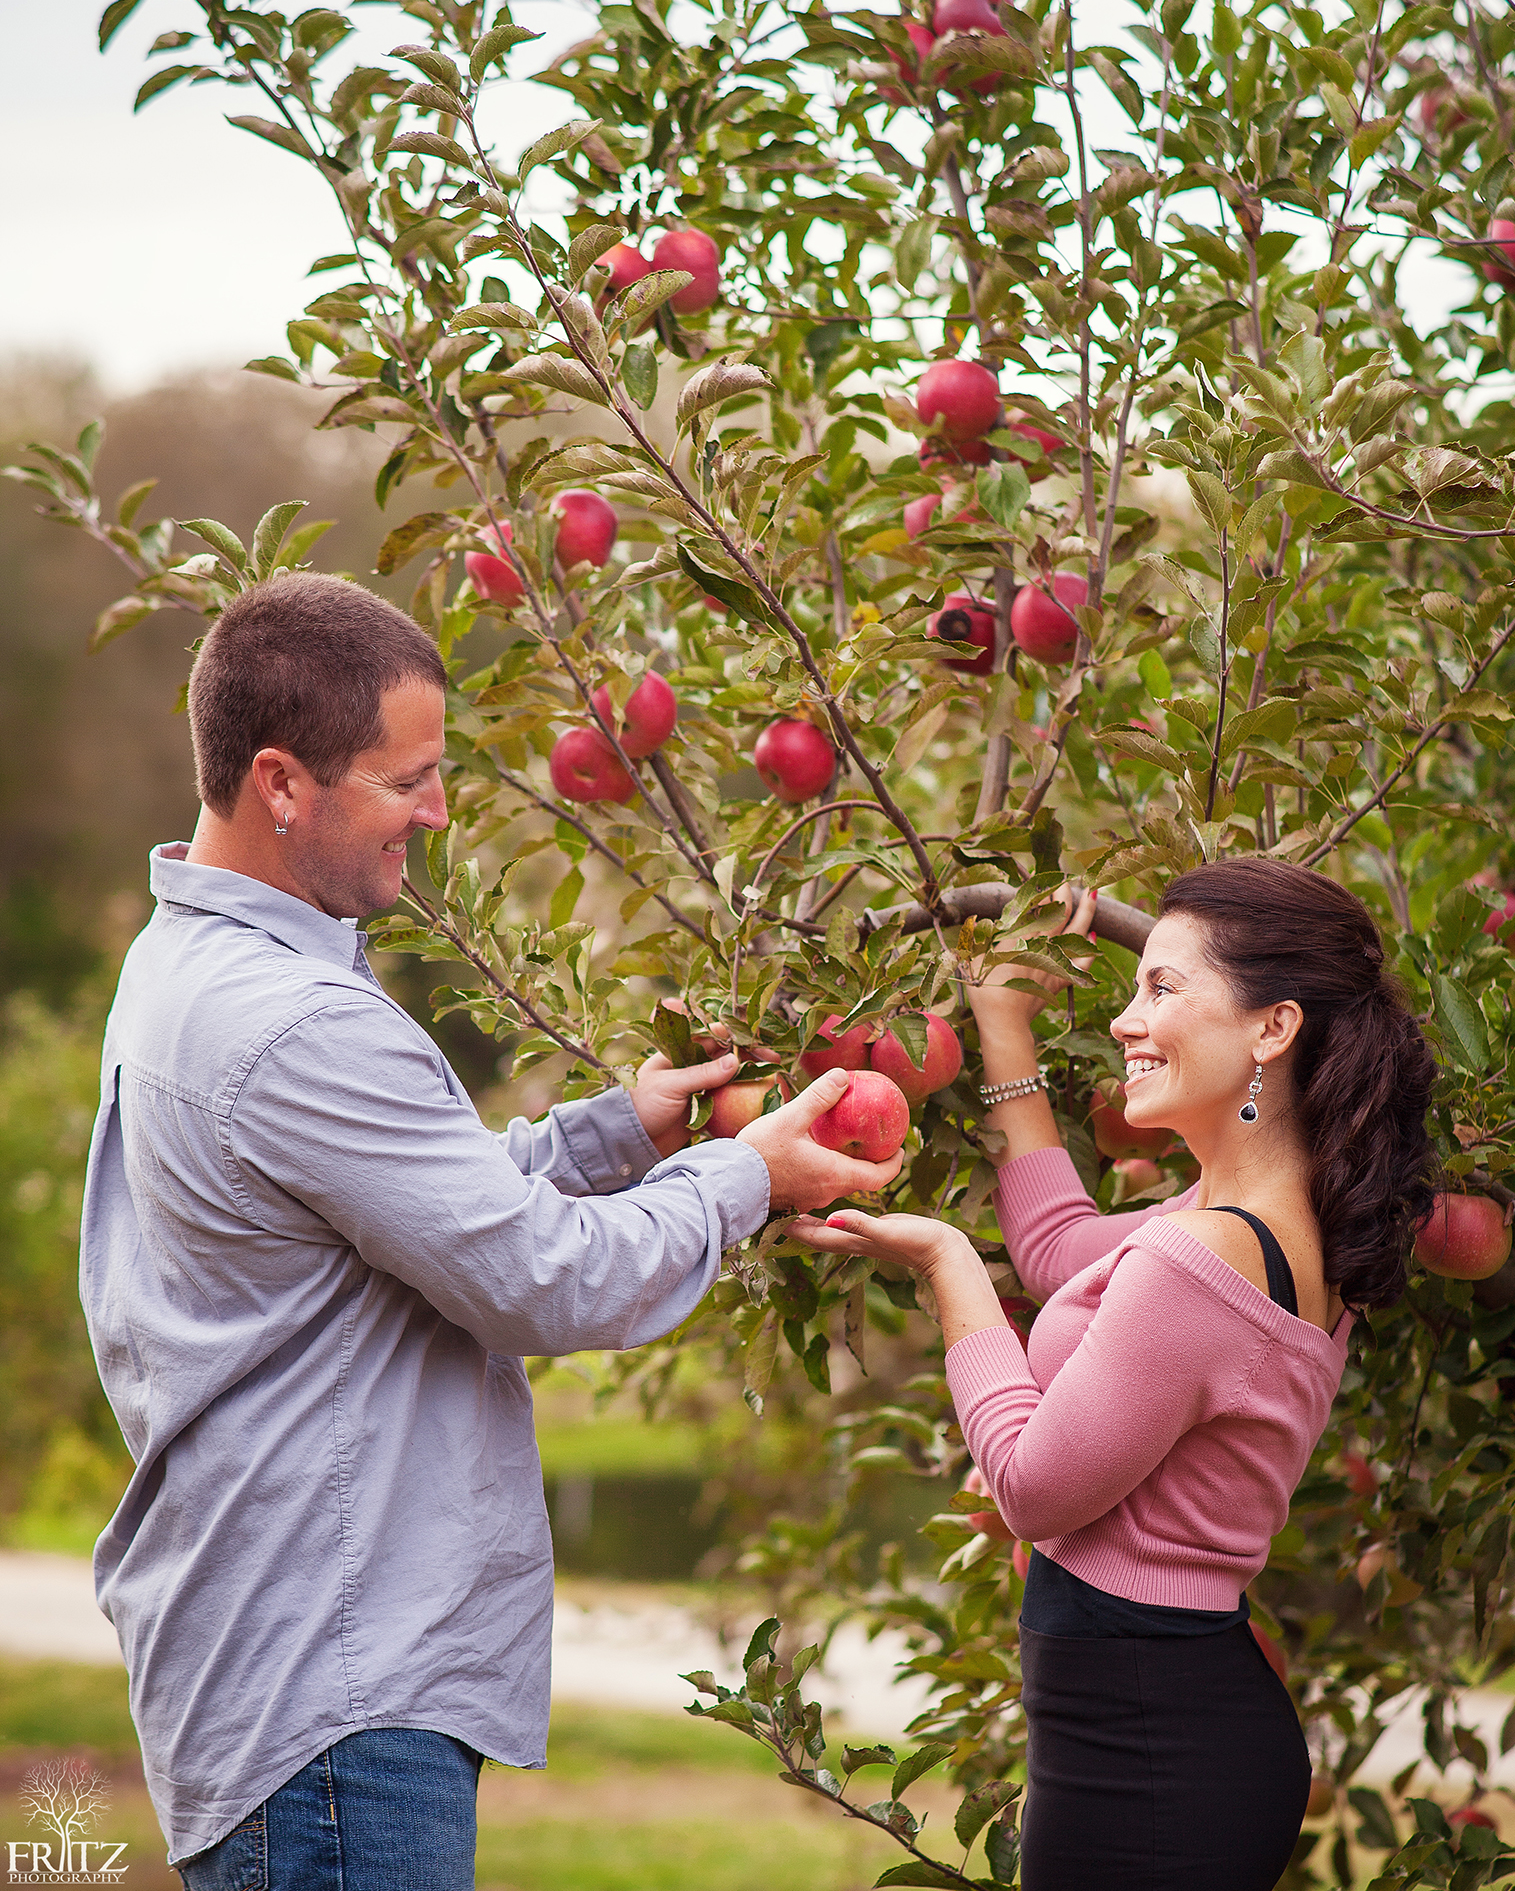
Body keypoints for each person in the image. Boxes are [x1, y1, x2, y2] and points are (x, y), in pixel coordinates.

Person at [79, 572, 900, 1889]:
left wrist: (617, 1132)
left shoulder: (196, 966)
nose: (441, 809)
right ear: (282, 784)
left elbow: (405, 1211)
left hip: (288, 1674)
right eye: (409, 780)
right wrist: (749, 1178)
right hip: (333, 1700)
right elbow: (541, 1280)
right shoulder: (298, 1027)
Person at [787, 858, 1436, 1891]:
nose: (1128, 1018)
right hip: (1169, 1716)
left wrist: (947, 1263)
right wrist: (1003, 1023)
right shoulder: (1262, 1223)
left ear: (1273, 1027)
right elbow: (1059, 1250)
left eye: (1163, 988)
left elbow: (1035, 1488)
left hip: (1151, 1748)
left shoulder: (1204, 1255)